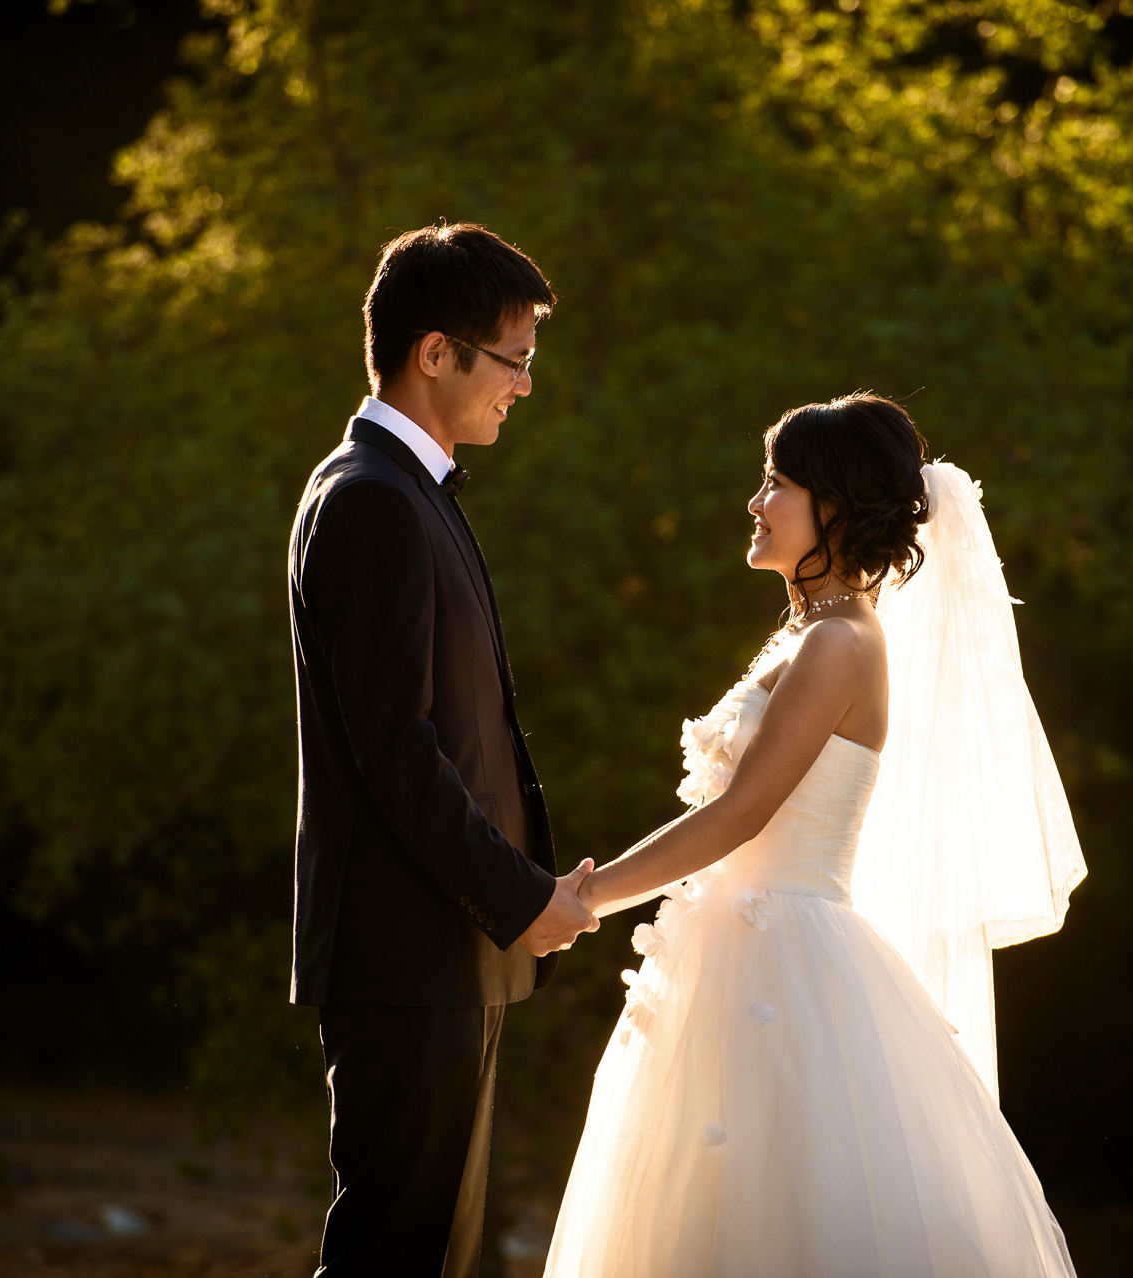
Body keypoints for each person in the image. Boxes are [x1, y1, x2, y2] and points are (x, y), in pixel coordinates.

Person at [545, 394, 1086, 1277]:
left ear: (832, 506)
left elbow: (739, 814)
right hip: (727, 949)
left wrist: (584, 897)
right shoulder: (806, 632)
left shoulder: (839, 643)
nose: (756, 503)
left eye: (777, 484)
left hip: (784, 959)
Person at [287, 222, 599, 1278]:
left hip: (444, 956)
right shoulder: (370, 499)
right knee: (394, 1257)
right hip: (403, 954)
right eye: (514, 360)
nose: (524, 386)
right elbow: (400, 755)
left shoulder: (411, 490)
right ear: (435, 353)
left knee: (437, 1260)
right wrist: (520, 895)